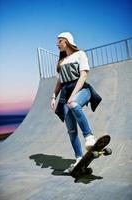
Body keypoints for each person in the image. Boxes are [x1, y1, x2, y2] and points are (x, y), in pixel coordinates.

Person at [50, 32, 102, 168]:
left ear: (67, 41)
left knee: (73, 103)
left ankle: (89, 137)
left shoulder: (80, 54)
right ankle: (79, 158)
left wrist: (73, 95)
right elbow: (60, 82)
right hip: (65, 94)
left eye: (59, 41)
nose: (57, 43)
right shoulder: (61, 61)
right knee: (71, 130)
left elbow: (83, 76)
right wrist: (54, 96)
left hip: (82, 89)